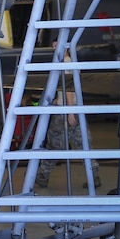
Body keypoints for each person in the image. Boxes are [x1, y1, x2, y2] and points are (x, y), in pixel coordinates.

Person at [36, 45, 101, 190]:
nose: (53, 49)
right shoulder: (72, 61)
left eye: (55, 46)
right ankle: (94, 175)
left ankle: (43, 176)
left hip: (65, 111)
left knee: (55, 143)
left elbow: (68, 88)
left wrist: (69, 111)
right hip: (77, 108)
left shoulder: (64, 62)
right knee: (83, 143)